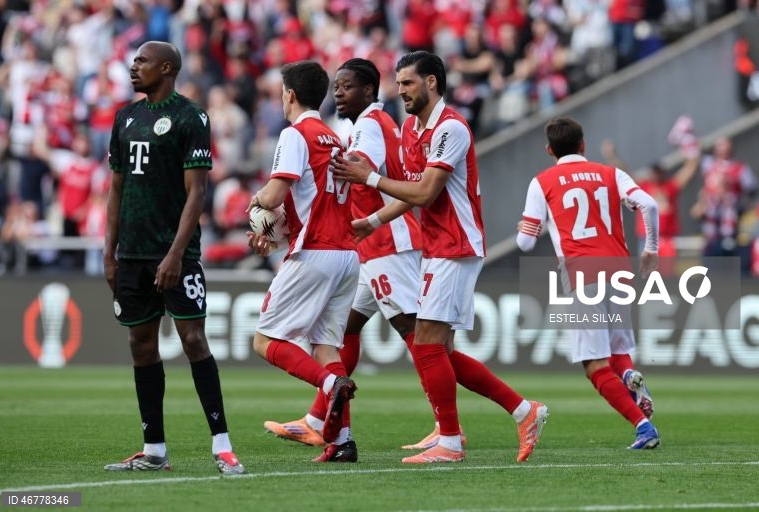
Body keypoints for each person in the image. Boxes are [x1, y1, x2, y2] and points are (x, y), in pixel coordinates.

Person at [333, 51, 548, 464]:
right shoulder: (411, 128)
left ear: (432, 82)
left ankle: (450, 440)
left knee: (427, 342)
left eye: (408, 83)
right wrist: (374, 220)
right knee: (440, 351)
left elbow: (426, 192)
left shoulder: (451, 128)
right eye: (399, 84)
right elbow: (411, 192)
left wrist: (371, 178)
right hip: (435, 247)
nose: (401, 91)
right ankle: (523, 411)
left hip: (457, 244)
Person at [102, 41, 245, 475]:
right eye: (133, 61)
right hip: (132, 254)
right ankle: (154, 450)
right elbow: (116, 188)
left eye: (142, 61)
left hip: (175, 254)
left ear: (166, 68)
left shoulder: (190, 117)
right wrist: (109, 251)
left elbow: (197, 192)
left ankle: (222, 446)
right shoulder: (125, 118)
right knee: (140, 345)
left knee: (193, 340)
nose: (134, 67)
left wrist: (175, 254)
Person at [516, 117, 661, 449]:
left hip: (582, 274)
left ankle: (643, 426)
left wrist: (527, 229)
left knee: (594, 365)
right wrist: (651, 249)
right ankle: (629, 376)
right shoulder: (611, 174)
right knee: (618, 350)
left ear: (549, 150)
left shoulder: (542, 182)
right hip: (619, 270)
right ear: (583, 144)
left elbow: (525, 243)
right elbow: (649, 203)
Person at [246, 60, 360, 463]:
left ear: (290, 94)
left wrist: (255, 203)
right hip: (347, 255)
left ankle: (330, 386)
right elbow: (314, 204)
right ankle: (343, 441)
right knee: (326, 346)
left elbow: (276, 195)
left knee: (264, 341)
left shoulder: (295, 134)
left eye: (281, 92)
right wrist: (275, 237)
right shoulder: (334, 139)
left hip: (316, 253)